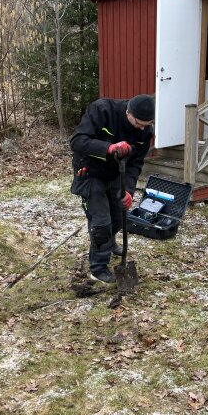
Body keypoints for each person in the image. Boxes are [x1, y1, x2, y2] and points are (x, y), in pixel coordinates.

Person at [70, 94, 155, 283]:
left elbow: (136, 164)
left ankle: (109, 241)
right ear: (128, 112)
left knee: (119, 216)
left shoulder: (146, 131)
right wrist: (108, 147)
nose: (142, 128)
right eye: (139, 123)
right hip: (90, 171)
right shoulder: (102, 110)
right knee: (101, 222)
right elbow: (77, 141)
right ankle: (98, 268)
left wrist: (129, 191)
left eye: (146, 124)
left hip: (118, 174)